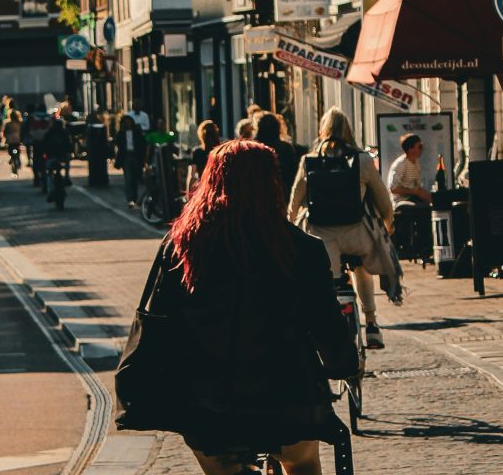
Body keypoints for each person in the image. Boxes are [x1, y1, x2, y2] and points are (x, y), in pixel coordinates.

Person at [127, 140, 358, 474]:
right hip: (286, 396)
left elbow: (159, 320)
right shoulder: (301, 248)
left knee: (220, 465)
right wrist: (341, 364)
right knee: (302, 461)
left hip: (208, 402)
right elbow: (324, 321)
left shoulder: (182, 249)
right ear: (272, 184)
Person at [287, 108, 395, 350]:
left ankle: (329, 329)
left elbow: (294, 202)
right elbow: (384, 202)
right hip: (357, 235)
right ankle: (372, 324)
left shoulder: (309, 161)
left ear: (322, 131)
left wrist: (293, 229)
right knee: (361, 268)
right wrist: (387, 225)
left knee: (328, 280)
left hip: (322, 238)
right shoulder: (363, 161)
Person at [253, 112, 301, 192]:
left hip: (259, 192)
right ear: (278, 129)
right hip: (281, 192)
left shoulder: (253, 148)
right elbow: (292, 174)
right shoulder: (286, 148)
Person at [387, 133, 431, 205]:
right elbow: (393, 189)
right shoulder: (401, 164)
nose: (422, 149)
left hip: (413, 198)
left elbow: (418, 188)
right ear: (411, 149)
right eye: (420, 147)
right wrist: (414, 192)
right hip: (402, 202)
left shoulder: (416, 162)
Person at [114, 114, 147, 208]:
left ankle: (135, 197)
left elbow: (142, 144)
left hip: (135, 156)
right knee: (128, 178)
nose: (127, 124)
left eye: (129, 122)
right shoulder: (121, 133)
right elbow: (118, 144)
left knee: (136, 177)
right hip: (126, 156)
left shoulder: (136, 132)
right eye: (125, 122)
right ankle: (130, 198)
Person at [187, 120, 222, 191]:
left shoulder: (197, 152)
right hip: (219, 187)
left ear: (201, 135)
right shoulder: (221, 150)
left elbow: (192, 176)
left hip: (203, 188)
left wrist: (188, 195)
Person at [3, 109, 23, 176]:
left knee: (10, 150)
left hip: (10, 140)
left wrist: (4, 138)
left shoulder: (7, 123)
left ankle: (11, 158)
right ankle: (18, 160)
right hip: (18, 139)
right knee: (18, 150)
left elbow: (4, 132)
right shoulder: (20, 122)